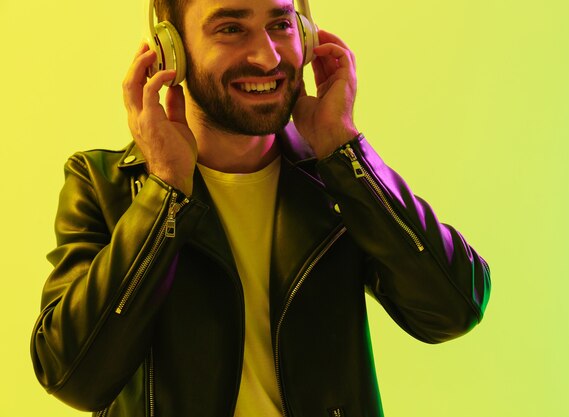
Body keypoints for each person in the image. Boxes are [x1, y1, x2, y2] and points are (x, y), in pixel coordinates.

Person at [30, 0, 491, 415]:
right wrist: (166, 189)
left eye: (281, 23)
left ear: (307, 34)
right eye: (231, 28)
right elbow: (74, 378)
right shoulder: (103, 184)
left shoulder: (336, 177)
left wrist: (345, 152)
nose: (267, 56)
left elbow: (453, 310)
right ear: (171, 49)